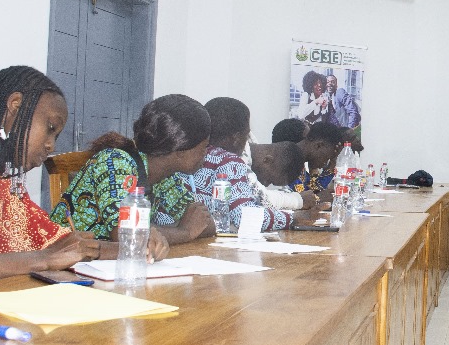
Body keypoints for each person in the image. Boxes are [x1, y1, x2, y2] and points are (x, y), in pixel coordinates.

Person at [0, 65, 101, 289]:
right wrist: (42, 259)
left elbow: (62, 244)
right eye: (50, 128)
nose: (50, 145)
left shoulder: (3, 184)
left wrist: (138, 246)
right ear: (15, 106)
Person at [50, 94, 214, 245]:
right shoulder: (116, 162)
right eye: (204, 146)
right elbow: (125, 234)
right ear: (180, 151)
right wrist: (183, 232)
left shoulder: (166, 178)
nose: (206, 153)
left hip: (112, 263)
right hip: (69, 262)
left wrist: (177, 231)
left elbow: (204, 223)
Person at [187, 98, 319, 231]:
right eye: (246, 134)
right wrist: (293, 218)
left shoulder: (191, 156)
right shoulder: (230, 162)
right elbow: (244, 216)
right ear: (236, 138)